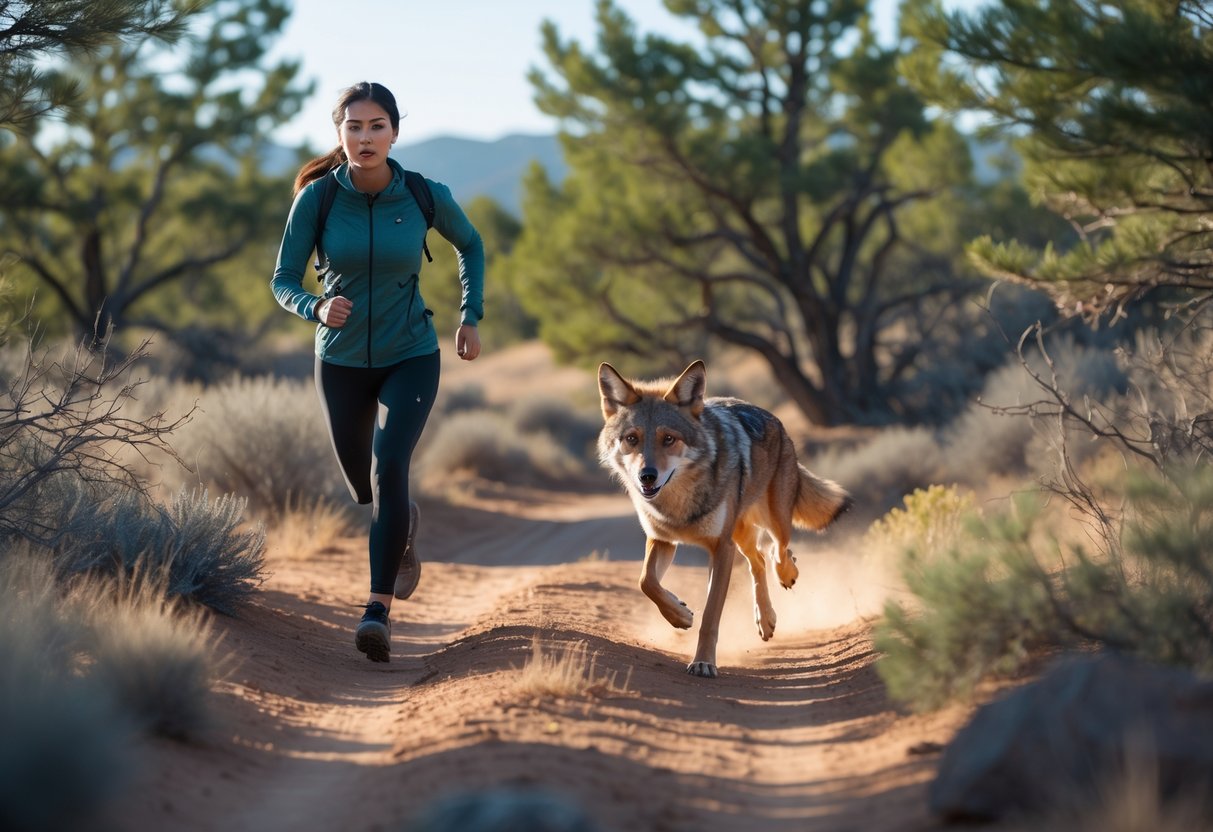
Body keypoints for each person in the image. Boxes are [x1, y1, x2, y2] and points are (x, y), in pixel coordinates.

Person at [271, 81, 484, 663]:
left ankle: (377, 611)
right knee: (362, 485)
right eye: (355, 127)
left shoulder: (421, 194)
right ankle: (402, 523)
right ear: (339, 133)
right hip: (339, 360)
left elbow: (471, 244)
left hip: (411, 352)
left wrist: (470, 316)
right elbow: (282, 279)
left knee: (390, 465)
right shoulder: (316, 199)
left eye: (377, 127)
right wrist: (314, 306)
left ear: (395, 131)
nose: (365, 138)